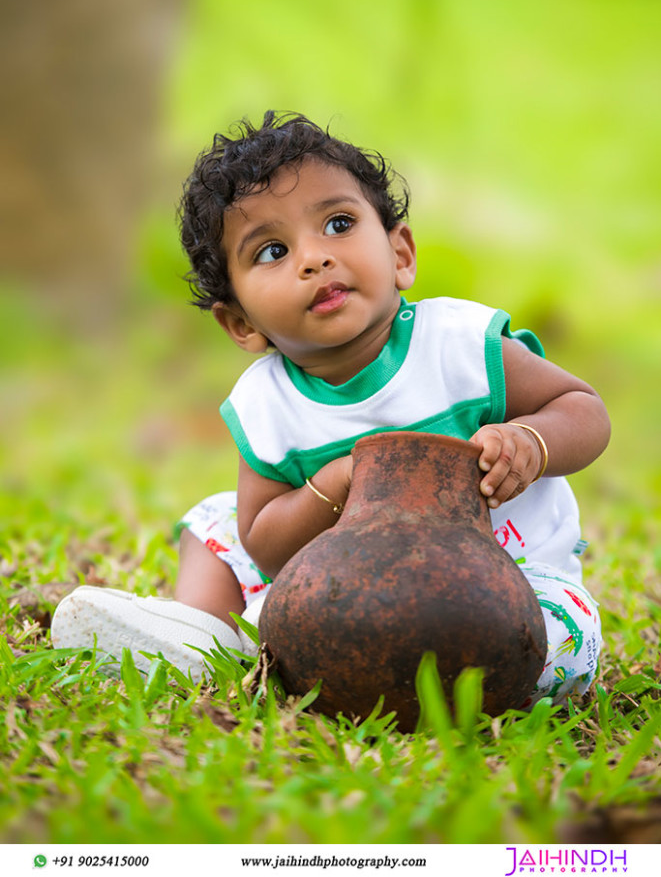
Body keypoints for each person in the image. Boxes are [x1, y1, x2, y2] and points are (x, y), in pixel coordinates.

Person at [52, 111, 611, 705]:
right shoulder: (267, 405)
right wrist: (335, 484)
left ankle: (450, 673)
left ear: (401, 254)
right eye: (271, 251)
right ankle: (208, 639)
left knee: (563, 645)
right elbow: (266, 544)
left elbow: (582, 408)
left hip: (503, 580)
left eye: (338, 223)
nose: (313, 259)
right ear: (240, 323)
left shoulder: (460, 347)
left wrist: (531, 441)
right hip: (338, 591)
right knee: (216, 524)